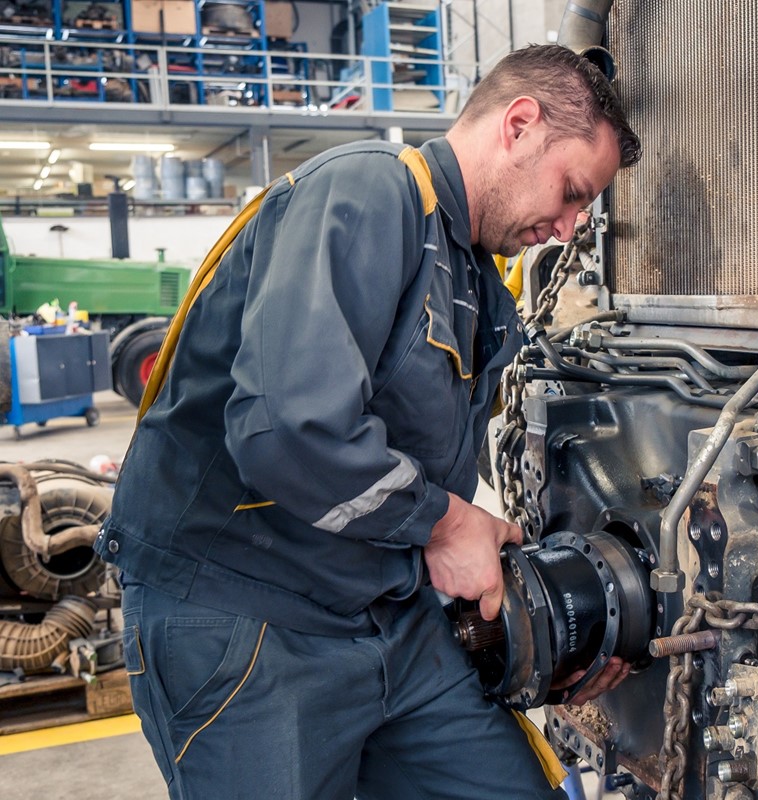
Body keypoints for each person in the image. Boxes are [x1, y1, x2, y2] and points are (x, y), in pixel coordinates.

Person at [96, 44, 641, 800]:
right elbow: (287, 431)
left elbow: (415, 475)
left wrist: (542, 632)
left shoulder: (477, 282)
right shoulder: (367, 193)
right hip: (248, 620)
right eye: (573, 192)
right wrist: (448, 526)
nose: (570, 226)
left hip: (385, 612)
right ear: (519, 125)